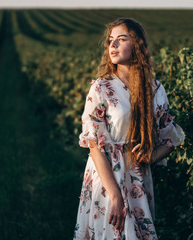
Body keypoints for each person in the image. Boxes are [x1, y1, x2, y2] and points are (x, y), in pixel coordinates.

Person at [73, 17, 185, 240]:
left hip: (137, 177)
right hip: (106, 177)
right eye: (110, 41)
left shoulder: (154, 88)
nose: (112, 45)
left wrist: (150, 157)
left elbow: (171, 137)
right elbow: (94, 145)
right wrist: (114, 195)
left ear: (137, 45)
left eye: (121, 39)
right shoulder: (100, 87)